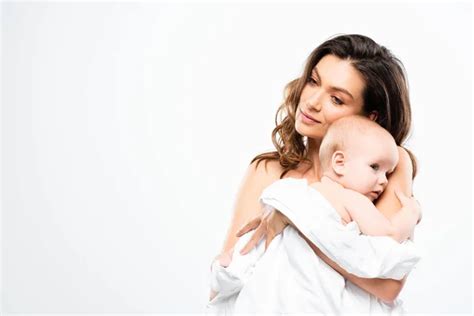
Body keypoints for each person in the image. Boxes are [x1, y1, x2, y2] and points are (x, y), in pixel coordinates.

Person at [212, 34, 421, 305]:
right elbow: (229, 278)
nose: (311, 101)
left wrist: (294, 218)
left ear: (369, 117)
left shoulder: (384, 168)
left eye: (336, 99)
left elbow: (389, 285)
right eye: (313, 81)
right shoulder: (267, 170)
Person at [207, 115, 421, 313]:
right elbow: (389, 236)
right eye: (374, 168)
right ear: (339, 163)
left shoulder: (298, 192)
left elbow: (253, 243)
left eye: (388, 173)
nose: (383, 180)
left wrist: (229, 265)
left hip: (271, 297)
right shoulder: (350, 199)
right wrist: (411, 212)